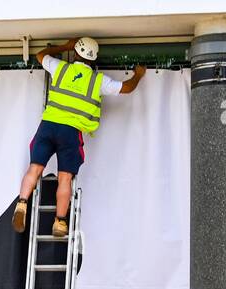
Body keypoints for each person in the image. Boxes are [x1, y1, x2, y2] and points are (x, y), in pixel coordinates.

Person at [13, 37, 146, 238]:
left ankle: (22, 203)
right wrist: (138, 75)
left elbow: (40, 55)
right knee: (65, 178)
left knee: (35, 168)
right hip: (71, 133)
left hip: (48, 126)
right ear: (94, 59)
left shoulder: (61, 68)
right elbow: (126, 88)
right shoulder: (99, 81)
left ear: (75, 53)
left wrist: (63, 46)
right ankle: (59, 222)